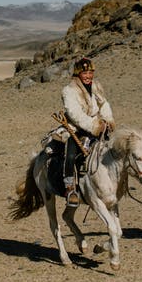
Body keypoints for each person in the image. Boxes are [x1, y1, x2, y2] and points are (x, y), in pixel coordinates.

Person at [55, 57, 115, 207]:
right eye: (85, 73)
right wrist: (94, 126)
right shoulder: (68, 91)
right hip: (76, 129)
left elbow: (104, 103)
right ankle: (70, 189)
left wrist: (107, 119)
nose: (88, 76)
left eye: (90, 72)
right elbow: (75, 114)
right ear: (78, 74)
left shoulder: (96, 86)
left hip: (97, 127)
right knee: (70, 155)